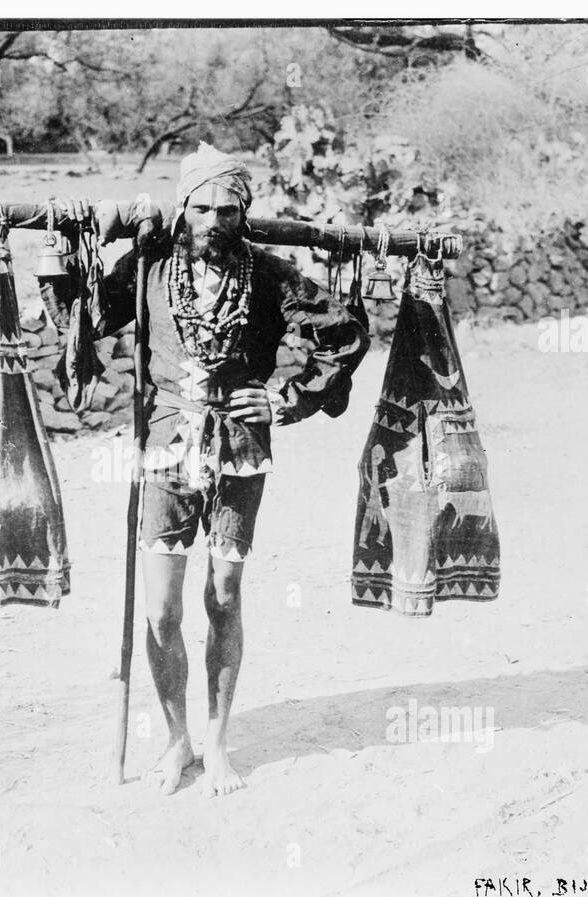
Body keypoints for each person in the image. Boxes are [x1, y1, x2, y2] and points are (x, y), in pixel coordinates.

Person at [45, 143, 370, 797]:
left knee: (221, 599)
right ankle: (176, 741)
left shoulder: (273, 275)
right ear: (183, 209)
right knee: (162, 612)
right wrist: (60, 255)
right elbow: (88, 319)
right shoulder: (149, 269)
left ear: (243, 213)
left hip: (240, 453)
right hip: (165, 449)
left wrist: (286, 395)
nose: (213, 220)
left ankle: (217, 746)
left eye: (227, 209)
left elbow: (343, 331)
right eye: (201, 208)